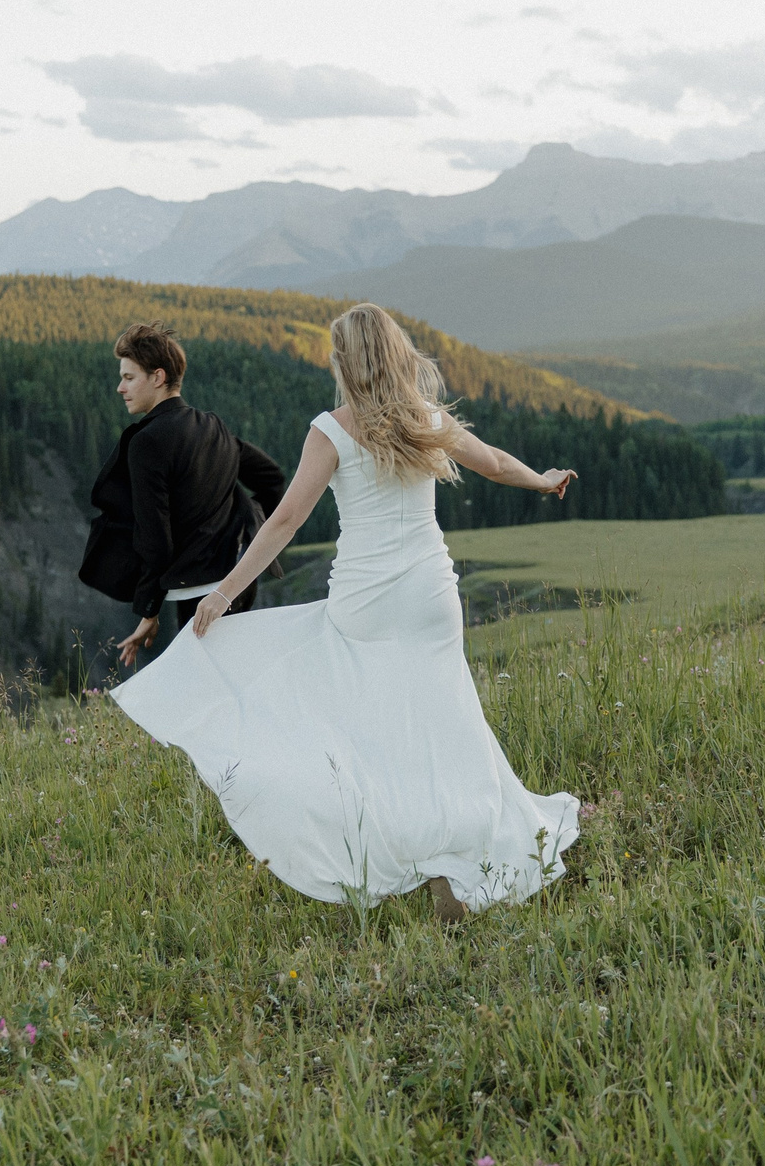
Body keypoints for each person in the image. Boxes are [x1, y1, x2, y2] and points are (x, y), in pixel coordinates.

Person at [110, 303, 581, 924]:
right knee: (447, 727)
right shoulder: (427, 419)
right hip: (433, 599)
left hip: (366, 604)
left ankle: (399, 852)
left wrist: (224, 592)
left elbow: (283, 521)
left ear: (346, 361)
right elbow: (493, 462)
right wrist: (543, 479)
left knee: (366, 732)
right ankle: (455, 866)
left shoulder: (331, 430)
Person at [77, 322, 288, 669]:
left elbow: (154, 538)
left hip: (197, 594)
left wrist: (148, 609)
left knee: (205, 695)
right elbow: (271, 479)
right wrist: (241, 537)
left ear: (157, 377)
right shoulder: (212, 425)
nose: (120, 387)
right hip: (237, 582)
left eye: (129, 377)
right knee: (229, 682)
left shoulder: (147, 441)